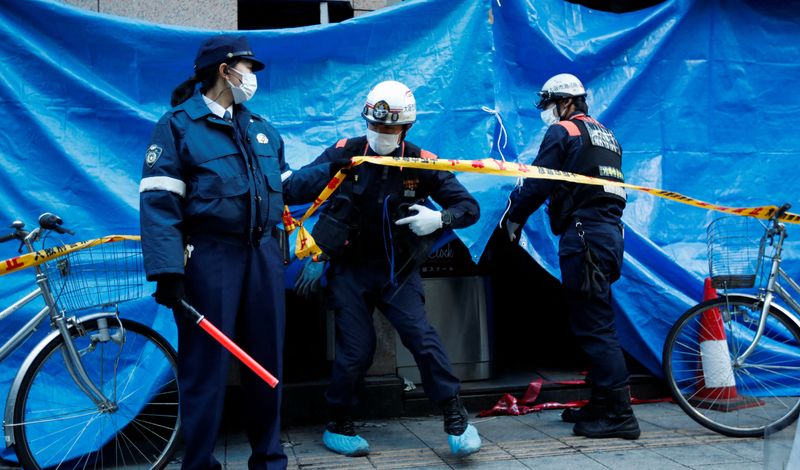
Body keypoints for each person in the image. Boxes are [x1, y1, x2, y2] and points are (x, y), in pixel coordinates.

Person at [139, 35, 332, 470]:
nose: (252, 76)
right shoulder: (177, 126)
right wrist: (167, 271)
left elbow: (285, 187)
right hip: (211, 258)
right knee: (204, 368)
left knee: (267, 362)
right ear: (224, 71)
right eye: (247, 67)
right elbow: (159, 201)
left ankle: (269, 459)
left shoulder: (260, 127)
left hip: (263, 255)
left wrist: (335, 164)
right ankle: (201, 464)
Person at [293, 80, 482, 458]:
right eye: (374, 126)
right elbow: (294, 188)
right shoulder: (346, 152)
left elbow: (469, 207)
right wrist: (333, 170)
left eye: (389, 128)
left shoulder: (420, 161)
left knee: (422, 339)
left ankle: (455, 416)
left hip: (399, 270)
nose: (380, 134)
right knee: (356, 351)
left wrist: (440, 217)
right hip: (349, 269)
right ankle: (338, 422)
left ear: (405, 128)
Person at [505, 73, 640, 440]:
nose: (547, 113)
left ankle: (619, 415)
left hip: (585, 239)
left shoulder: (564, 131)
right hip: (609, 236)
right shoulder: (606, 135)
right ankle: (602, 402)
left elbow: (539, 179)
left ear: (565, 102)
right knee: (596, 318)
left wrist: (515, 215)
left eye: (549, 105)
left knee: (595, 327)